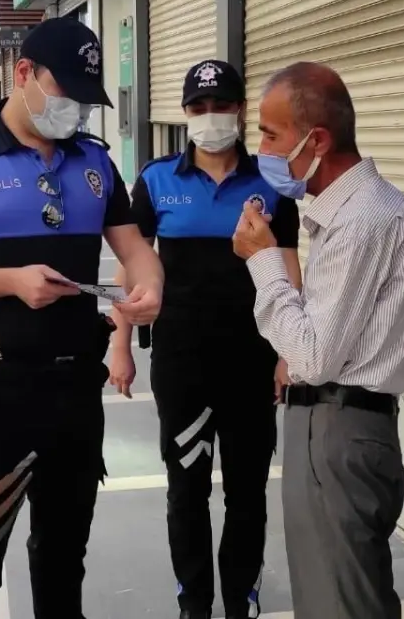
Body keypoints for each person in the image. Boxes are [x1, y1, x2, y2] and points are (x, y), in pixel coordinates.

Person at [0, 16, 164, 619]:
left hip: (74, 393)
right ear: (23, 74)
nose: (72, 109)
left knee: (63, 562)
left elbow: (134, 250)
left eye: (82, 99)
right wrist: (10, 282)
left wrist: (148, 285)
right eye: (63, 92)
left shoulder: (94, 164)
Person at [232, 62, 404, 618]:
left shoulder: (361, 219)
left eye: (271, 136)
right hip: (337, 426)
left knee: (339, 604)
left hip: (337, 426)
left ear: (316, 140)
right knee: (336, 596)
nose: (263, 151)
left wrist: (264, 261)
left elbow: (315, 355)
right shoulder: (350, 212)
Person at [107, 59, 301, 619]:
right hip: (182, 365)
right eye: (198, 107)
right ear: (184, 113)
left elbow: (289, 270)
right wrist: (120, 342)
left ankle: (241, 600)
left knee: (247, 494)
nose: (210, 116)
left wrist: (289, 351)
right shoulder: (155, 180)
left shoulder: (273, 182)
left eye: (221, 106)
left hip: (252, 363)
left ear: (240, 111)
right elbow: (132, 269)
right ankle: (194, 602)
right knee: (186, 491)